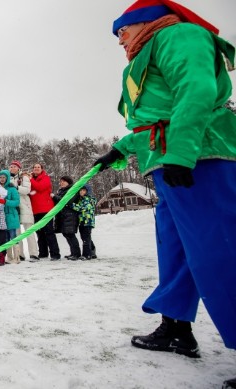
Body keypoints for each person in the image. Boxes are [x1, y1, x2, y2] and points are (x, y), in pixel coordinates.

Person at [93, 2, 236, 384]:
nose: (119, 40)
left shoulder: (178, 35)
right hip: (168, 160)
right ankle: (177, 328)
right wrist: (120, 149)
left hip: (201, 157)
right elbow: (155, 116)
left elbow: (197, 89)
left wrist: (183, 152)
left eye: (121, 30)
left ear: (144, 22)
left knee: (219, 251)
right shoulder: (147, 53)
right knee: (176, 250)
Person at [29, 163, 61, 260]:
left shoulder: (46, 178)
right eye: (34, 167)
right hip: (35, 210)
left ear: (42, 169)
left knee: (49, 232)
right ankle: (43, 252)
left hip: (46, 209)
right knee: (40, 232)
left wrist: (30, 180)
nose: (36, 168)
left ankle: (55, 254)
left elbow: (40, 187)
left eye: (38, 167)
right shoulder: (31, 180)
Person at [8, 160, 38, 261]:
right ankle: (20, 254)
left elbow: (26, 190)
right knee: (17, 232)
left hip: (24, 206)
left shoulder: (24, 177)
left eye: (14, 167)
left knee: (29, 231)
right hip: (13, 207)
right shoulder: (7, 178)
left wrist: (16, 187)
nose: (12, 168)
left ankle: (34, 254)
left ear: (18, 168)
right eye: (11, 167)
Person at [52, 176, 82, 260]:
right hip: (63, 216)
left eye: (63, 181)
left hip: (70, 215)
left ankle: (76, 254)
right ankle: (73, 253)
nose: (61, 183)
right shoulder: (61, 191)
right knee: (66, 234)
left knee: (70, 234)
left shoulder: (72, 190)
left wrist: (54, 197)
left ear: (68, 182)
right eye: (60, 181)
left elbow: (67, 201)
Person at [0, 170, 20, 264]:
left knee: (13, 236)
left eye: (4, 177)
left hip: (11, 215)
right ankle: (9, 257)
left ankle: (17, 257)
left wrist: (5, 202)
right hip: (1, 216)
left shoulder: (12, 189)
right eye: (0, 177)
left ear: (7, 178)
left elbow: (17, 202)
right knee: (5, 238)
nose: (2, 179)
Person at [71, 185, 97, 260]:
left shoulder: (88, 199)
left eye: (83, 190)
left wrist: (71, 205)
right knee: (85, 237)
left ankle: (86, 255)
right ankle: (92, 251)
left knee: (86, 238)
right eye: (80, 190)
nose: (81, 192)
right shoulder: (81, 199)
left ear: (87, 192)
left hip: (87, 221)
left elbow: (82, 208)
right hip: (82, 221)